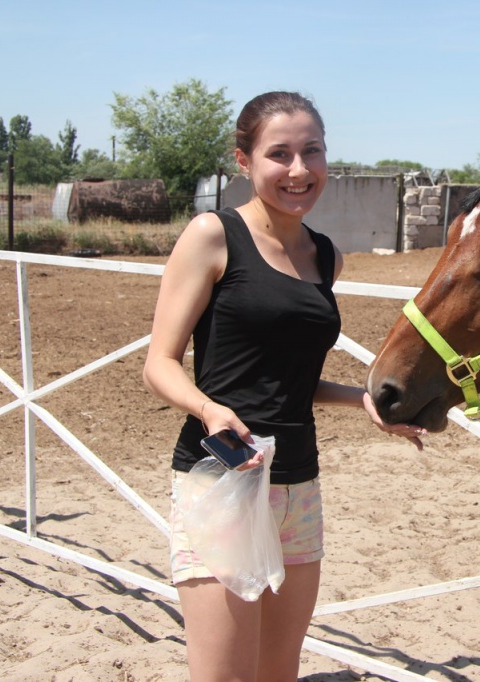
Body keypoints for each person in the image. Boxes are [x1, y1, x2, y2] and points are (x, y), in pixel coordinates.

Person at [142, 91, 425, 682]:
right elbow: (159, 364)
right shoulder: (212, 235)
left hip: (299, 485)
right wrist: (208, 408)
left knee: (278, 673)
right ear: (244, 162)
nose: (299, 170)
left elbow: (287, 378)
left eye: (312, 151)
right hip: (225, 480)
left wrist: (362, 400)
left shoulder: (326, 256)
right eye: (280, 154)